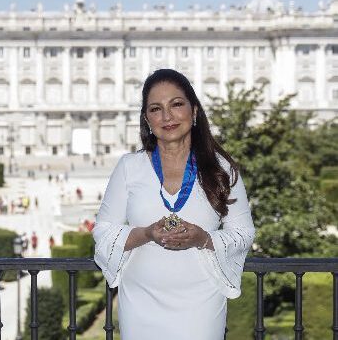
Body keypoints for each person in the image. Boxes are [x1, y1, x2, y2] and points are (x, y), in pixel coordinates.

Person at [92, 69, 255, 340]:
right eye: (156, 109)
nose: (167, 117)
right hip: (140, 304)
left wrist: (203, 238)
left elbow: (243, 233)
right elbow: (103, 231)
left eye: (176, 104)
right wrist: (147, 234)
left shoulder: (221, 169)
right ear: (147, 119)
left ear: (194, 112)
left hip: (201, 305)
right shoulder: (129, 167)